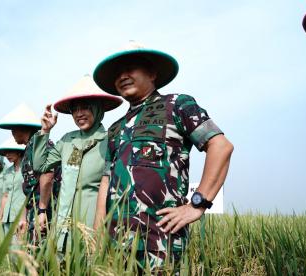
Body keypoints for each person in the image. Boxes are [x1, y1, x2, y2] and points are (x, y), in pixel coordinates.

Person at [92, 41, 234, 272]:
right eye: (117, 73)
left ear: (152, 73)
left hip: (160, 240)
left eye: (131, 68)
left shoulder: (176, 105)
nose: (123, 76)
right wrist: (98, 234)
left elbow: (220, 147)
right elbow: (106, 180)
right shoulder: (115, 128)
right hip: (116, 243)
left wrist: (197, 204)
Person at [32, 74, 122, 250]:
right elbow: (40, 165)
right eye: (75, 109)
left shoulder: (110, 140)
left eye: (85, 107)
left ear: (98, 109)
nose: (79, 114)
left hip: (93, 222)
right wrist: (44, 132)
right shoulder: (67, 141)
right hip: (63, 222)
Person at [0, 103, 60, 240]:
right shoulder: (28, 149)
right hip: (34, 210)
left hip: (46, 211)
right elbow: (29, 187)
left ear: (20, 129)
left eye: (13, 130)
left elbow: (48, 176)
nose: (12, 134)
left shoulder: (41, 144)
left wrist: (42, 210)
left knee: (43, 253)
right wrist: (24, 218)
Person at [0, 138, 27, 237]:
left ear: (18, 152)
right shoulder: (7, 171)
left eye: (10, 152)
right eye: (6, 153)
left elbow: (28, 195)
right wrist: (0, 216)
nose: (7, 155)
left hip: (21, 215)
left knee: (19, 247)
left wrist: (24, 217)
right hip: (7, 216)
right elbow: (5, 195)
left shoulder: (27, 169)